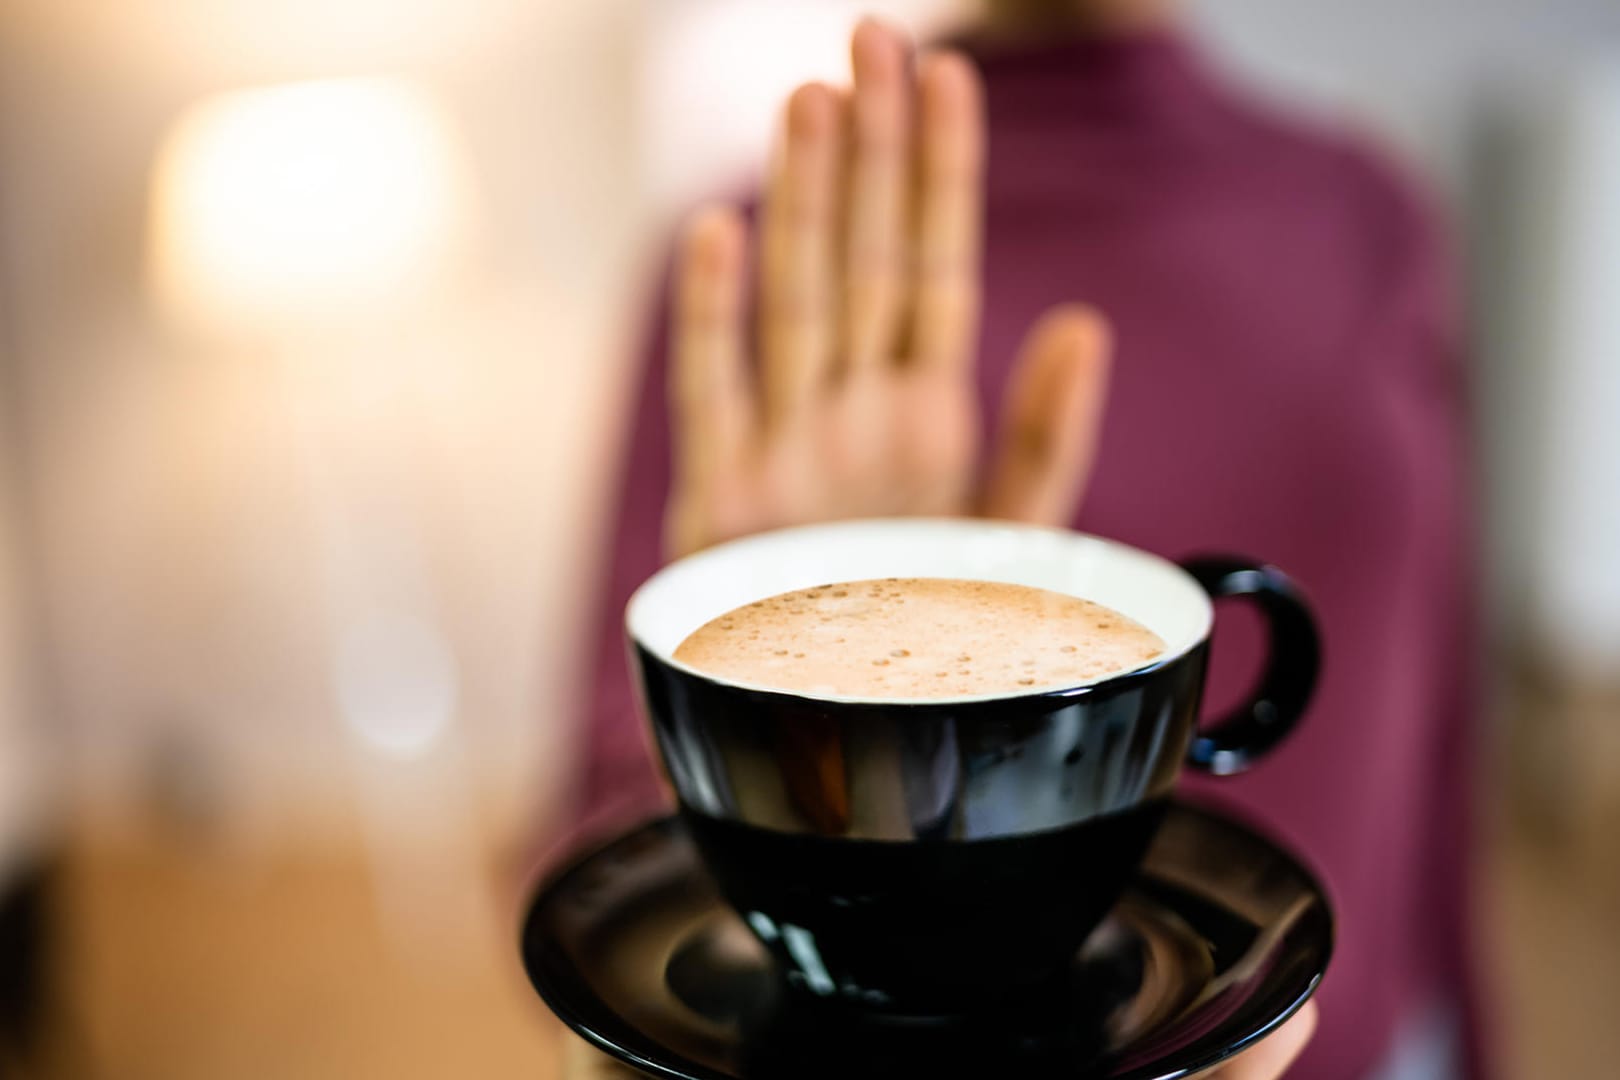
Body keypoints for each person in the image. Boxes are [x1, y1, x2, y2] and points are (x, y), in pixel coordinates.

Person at [558, 3, 1484, 1077]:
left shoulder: (1370, 216)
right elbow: (596, 847)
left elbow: (1445, 726)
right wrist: (784, 732)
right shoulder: (756, 258)